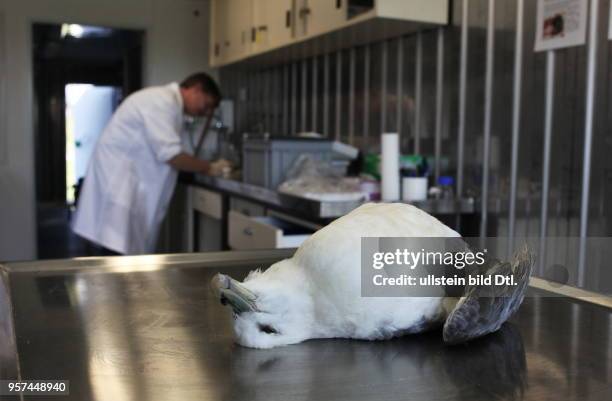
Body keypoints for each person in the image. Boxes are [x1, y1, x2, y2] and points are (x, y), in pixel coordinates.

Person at [72, 72, 227, 255]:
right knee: (116, 258)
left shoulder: (169, 105)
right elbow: (172, 155)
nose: (206, 112)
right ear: (196, 90)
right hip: (120, 188)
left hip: (126, 186)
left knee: (120, 256)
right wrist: (210, 168)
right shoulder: (162, 102)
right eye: (207, 105)